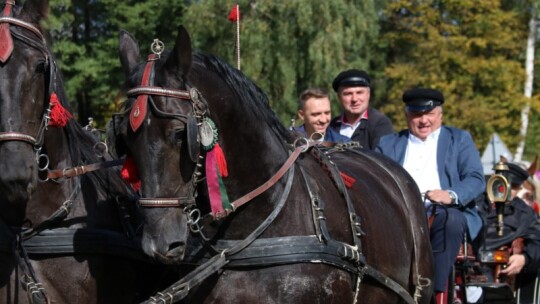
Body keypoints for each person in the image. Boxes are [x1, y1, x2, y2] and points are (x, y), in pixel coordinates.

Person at [376, 87, 486, 303]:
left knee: (452, 219)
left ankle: (432, 293)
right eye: (417, 114)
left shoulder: (459, 139)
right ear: (407, 115)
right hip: (398, 216)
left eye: (430, 114)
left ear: (440, 115)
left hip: (442, 213)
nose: (424, 120)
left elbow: (476, 179)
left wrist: (451, 195)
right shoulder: (388, 144)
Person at [328, 69, 393, 149]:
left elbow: (382, 159)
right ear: (339, 97)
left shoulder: (380, 124)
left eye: (359, 93)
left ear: (368, 94)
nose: (354, 99)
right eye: (348, 94)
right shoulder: (332, 126)